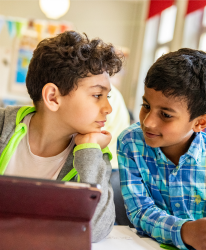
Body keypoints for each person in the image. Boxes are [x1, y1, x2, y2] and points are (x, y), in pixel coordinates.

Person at [117, 49, 206, 250]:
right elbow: (140, 211)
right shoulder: (131, 143)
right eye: (146, 105)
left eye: (166, 115)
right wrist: (185, 231)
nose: (148, 122)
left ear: (200, 122)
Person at [0, 31, 123, 242]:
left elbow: (96, 229)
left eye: (108, 96)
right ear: (53, 97)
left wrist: (90, 151)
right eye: (97, 95)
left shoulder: (92, 153)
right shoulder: (4, 125)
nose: (108, 108)